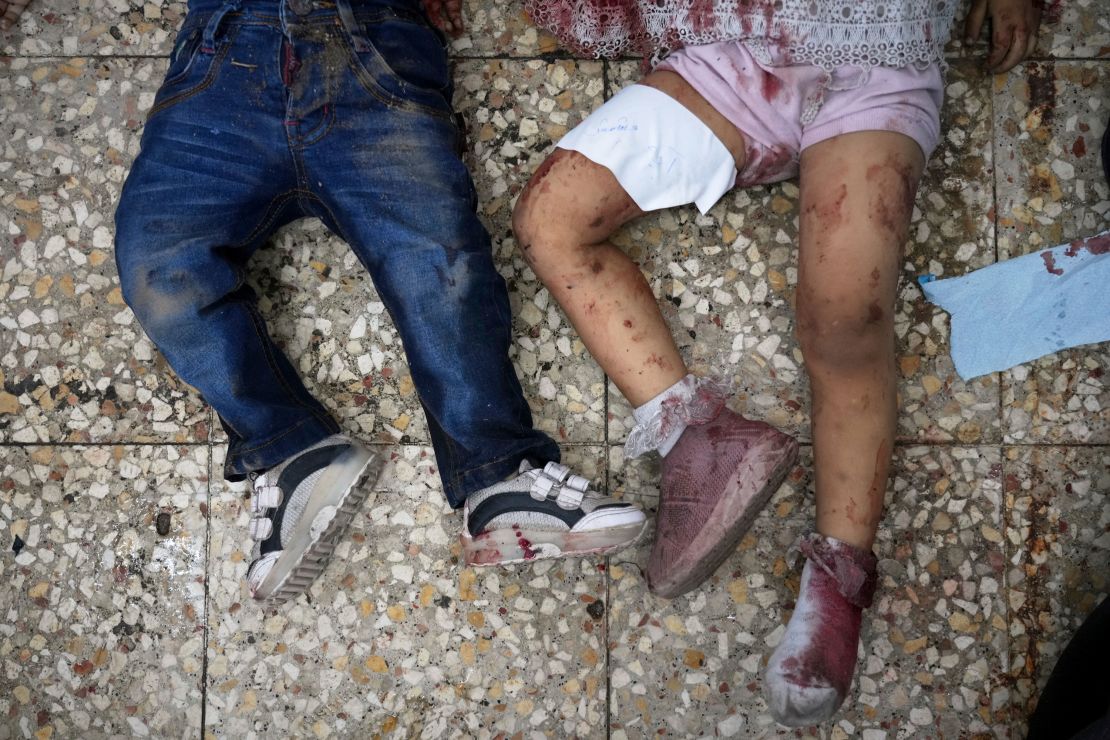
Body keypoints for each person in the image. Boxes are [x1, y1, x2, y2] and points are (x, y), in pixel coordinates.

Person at [512, 0, 1041, 726]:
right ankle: (696, 438)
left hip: (879, 51)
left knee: (847, 316)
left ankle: (838, 578)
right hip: (727, 46)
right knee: (551, 216)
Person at [113, 0, 647, 604]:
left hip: (373, 46)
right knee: (155, 262)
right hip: (224, 52)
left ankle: (501, 479)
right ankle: (290, 452)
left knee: (438, 264)